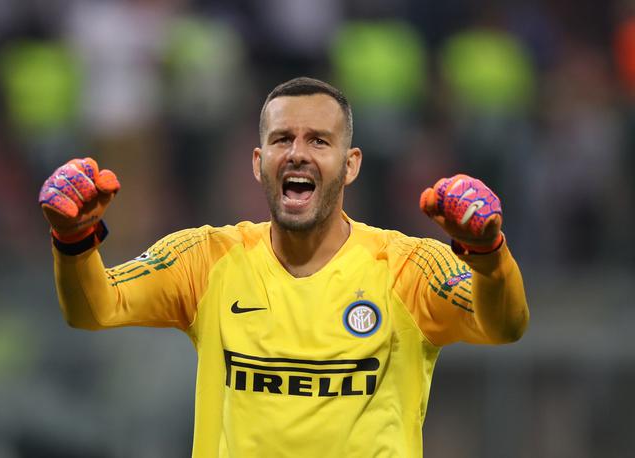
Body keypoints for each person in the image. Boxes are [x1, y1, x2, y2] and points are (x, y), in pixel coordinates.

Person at [39, 77, 529, 458]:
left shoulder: (405, 268)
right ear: (258, 161)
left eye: (319, 140)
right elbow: (94, 308)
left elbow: (504, 326)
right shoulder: (206, 260)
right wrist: (74, 240)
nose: (297, 152)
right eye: (282, 139)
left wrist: (488, 255)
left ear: (351, 163)